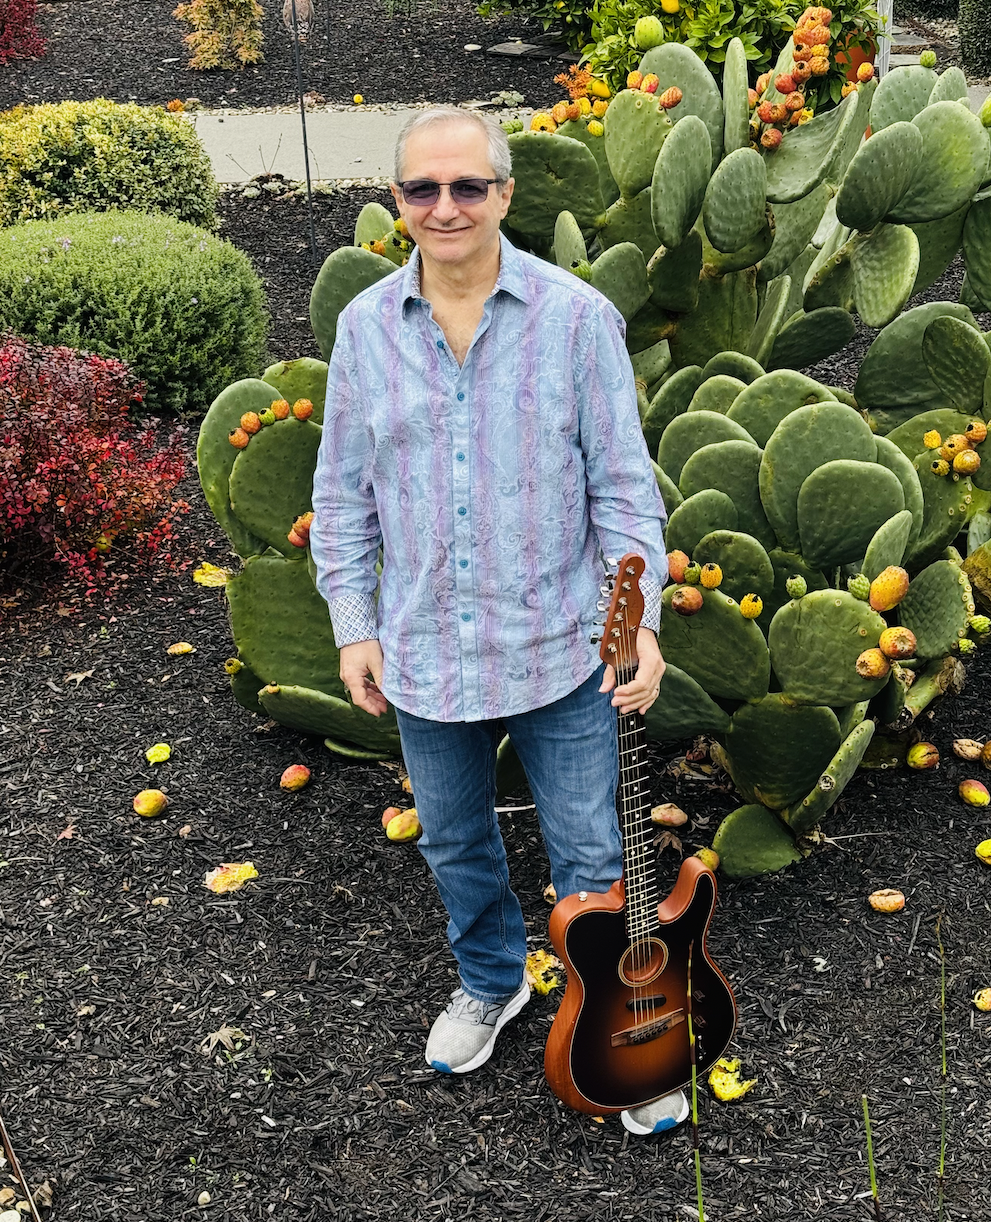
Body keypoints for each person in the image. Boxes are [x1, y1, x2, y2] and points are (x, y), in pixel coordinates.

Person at [311, 105, 686, 1135]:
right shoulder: (363, 331)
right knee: (455, 841)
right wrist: (354, 623)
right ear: (397, 203)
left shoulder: (574, 320)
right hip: (427, 655)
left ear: (505, 195)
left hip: (562, 648)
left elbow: (623, 489)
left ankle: (617, 1022)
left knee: (590, 856)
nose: (445, 207)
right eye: (421, 190)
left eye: (467, 187)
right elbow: (342, 499)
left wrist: (640, 619)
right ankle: (492, 980)